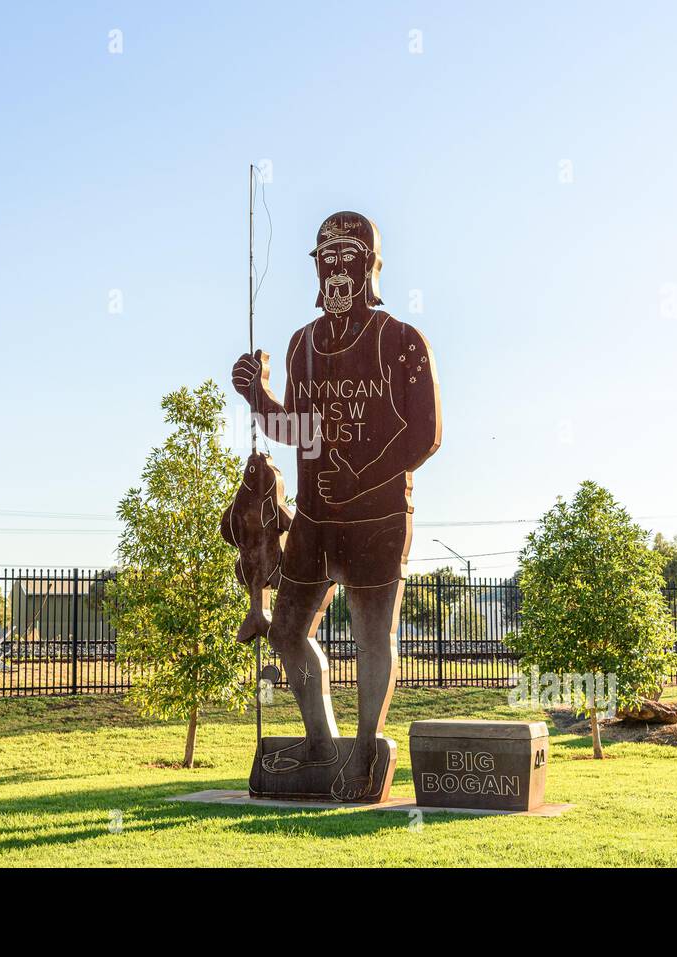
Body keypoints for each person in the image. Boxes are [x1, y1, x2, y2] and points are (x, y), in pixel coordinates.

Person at [231, 211, 441, 800]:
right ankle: (322, 744)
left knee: (375, 635)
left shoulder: (400, 340)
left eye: (348, 259)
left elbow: (424, 433)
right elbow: (298, 429)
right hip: (315, 521)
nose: (336, 271)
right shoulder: (302, 344)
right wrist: (258, 397)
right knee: (288, 630)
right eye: (327, 261)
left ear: (370, 266)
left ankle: (366, 750)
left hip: (378, 518)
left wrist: (363, 479)